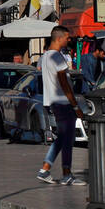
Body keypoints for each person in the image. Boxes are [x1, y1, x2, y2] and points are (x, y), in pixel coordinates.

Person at [36, 26, 84, 186]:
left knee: (64, 137)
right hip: (63, 102)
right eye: (67, 37)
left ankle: (47, 168)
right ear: (58, 38)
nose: (69, 40)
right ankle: (65, 173)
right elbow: (64, 82)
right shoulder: (57, 57)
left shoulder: (45, 56)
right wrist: (75, 105)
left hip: (53, 101)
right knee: (67, 137)